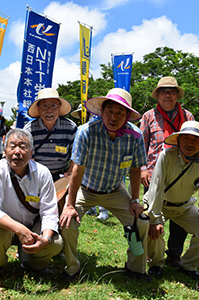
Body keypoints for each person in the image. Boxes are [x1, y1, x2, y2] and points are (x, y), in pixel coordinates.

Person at [59, 88, 149, 281]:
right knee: (68, 222)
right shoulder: (86, 132)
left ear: (126, 116)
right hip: (86, 188)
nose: (113, 117)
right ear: (102, 111)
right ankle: (71, 268)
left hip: (115, 190)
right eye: (109, 111)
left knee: (140, 222)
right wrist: (70, 205)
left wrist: (135, 200)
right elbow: (77, 171)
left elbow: (135, 169)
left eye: (120, 113)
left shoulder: (135, 136)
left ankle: (136, 269)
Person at [0, 128, 63, 282]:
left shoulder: (43, 173)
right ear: (5, 151)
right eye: (12, 146)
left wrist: (45, 239)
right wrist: (19, 229)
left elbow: (49, 212)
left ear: (31, 154)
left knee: (55, 242)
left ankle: (33, 263)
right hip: (6, 227)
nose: (17, 152)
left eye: (23, 147)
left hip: (32, 226)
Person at [144, 121, 199, 281]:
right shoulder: (166, 156)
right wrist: (155, 218)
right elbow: (156, 187)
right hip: (160, 204)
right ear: (178, 140)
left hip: (184, 206)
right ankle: (155, 265)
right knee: (153, 230)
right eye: (186, 139)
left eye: (195, 140)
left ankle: (188, 266)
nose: (190, 144)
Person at [140, 76, 195, 268]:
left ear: (177, 95)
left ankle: (174, 254)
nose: (168, 95)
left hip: (182, 174)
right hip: (153, 176)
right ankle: (152, 253)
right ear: (158, 95)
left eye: (172, 91)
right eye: (164, 91)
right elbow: (142, 146)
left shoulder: (188, 117)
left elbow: (194, 145)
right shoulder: (148, 116)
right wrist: (142, 169)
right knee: (150, 215)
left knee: (180, 216)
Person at [24, 88, 77, 182]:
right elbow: (29, 158)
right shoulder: (29, 129)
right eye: (44, 106)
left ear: (59, 108)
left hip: (62, 176)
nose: (49, 110)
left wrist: (70, 171)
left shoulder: (70, 127)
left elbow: (76, 154)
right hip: (37, 175)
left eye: (54, 106)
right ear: (38, 109)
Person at [71, 104, 109, 221]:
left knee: (101, 184)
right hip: (85, 160)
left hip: (99, 159)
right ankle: (91, 210)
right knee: (87, 184)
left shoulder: (95, 125)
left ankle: (103, 211)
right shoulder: (82, 127)